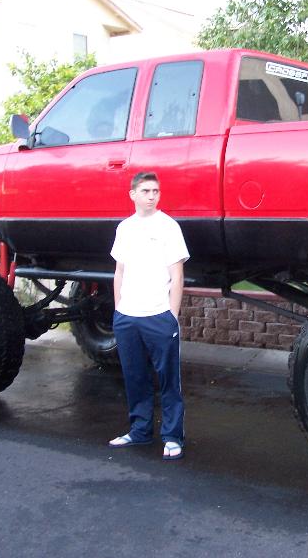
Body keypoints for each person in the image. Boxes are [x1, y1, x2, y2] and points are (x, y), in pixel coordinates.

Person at [108, 172, 189, 460]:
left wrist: (171, 316)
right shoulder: (124, 228)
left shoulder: (168, 227)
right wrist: (119, 309)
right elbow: (119, 271)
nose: (152, 196)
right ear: (133, 194)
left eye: (156, 191)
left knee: (168, 380)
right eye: (146, 191)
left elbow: (177, 275)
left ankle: (172, 437)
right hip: (127, 317)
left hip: (158, 316)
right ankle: (140, 431)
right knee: (135, 377)